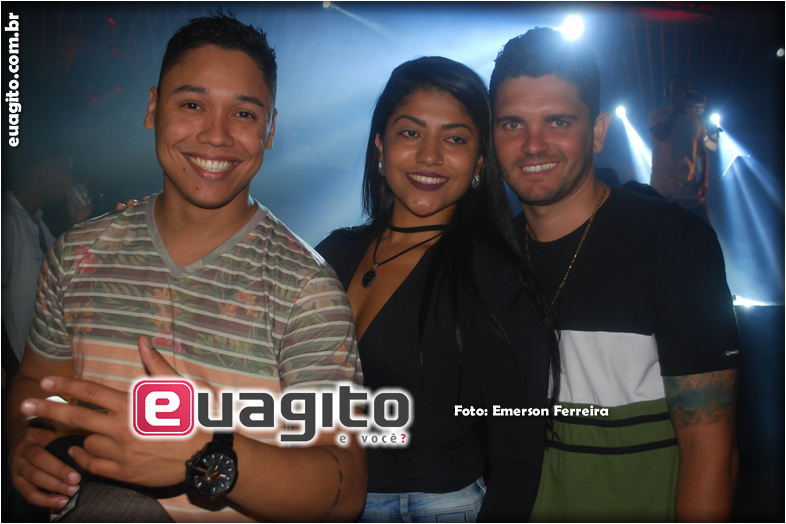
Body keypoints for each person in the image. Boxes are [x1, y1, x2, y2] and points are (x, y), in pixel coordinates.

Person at [5, 13, 366, 522]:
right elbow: (35, 383)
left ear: (270, 129)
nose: (216, 135)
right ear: (153, 107)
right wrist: (25, 441)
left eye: (244, 113)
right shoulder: (75, 255)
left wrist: (204, 454)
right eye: (193, 105)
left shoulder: (306, 288)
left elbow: (343, 487)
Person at [490, 28, 742, 521]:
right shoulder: (491, 256)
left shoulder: (672, 242)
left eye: (558, 121)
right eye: (512, 124)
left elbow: (711, 447)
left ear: (598, 131)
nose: (533, 144)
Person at [316, 56, 559, 522]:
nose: (430, 156)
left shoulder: (493, 278)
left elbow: (518, 457)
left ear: (479, 160)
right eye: (410, 132)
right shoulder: (334, 253)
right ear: (380, 145)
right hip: (322, 498)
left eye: (454, 138)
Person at [2, 155, 93, 387]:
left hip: (32, 371)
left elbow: (65, 280)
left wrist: (76, 223)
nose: (69, 182)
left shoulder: (37, 223)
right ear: (39, 169)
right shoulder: (8, 221)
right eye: (64, 172)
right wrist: (12, 369)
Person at [649, 73, 711, 224]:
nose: (681, 91)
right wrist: (677, 109)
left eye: (685, 88)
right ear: (668, 92)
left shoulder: (697, 119)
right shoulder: (658, 114)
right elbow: (661, 134)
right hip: (663, 191)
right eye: (676, 87)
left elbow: (702, 153)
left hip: (689, 190)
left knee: (704, 232)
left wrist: (704, 178)